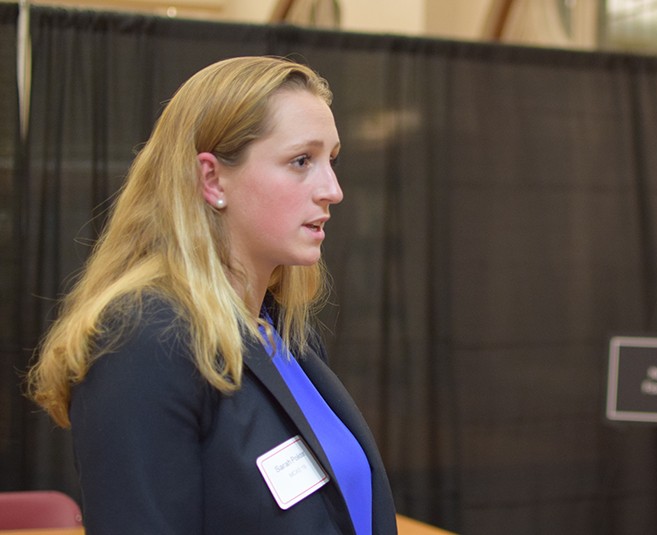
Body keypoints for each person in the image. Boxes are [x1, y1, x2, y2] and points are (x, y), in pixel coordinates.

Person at [27, 56, 397, 535]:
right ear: (211, 179)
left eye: (332, 159)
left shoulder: (281, 331)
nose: (333, 189)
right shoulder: (144, 341)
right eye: (301, 161)